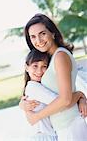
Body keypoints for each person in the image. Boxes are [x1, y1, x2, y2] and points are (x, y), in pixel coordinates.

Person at [20, 13, 87, 141]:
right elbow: (56, 90)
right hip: (63, 126)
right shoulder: (51, 59)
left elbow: (65, 100)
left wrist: (36, 116)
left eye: (42, 34)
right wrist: (22, 104)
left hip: (70, 125)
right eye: (33, 37)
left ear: (53, 33)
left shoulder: (60, 56)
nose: (38, 41)